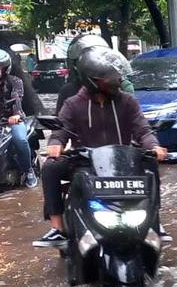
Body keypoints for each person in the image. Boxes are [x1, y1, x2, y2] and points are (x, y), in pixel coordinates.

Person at [36, 46, 168, 245]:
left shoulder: (128, 102)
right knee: (50, 167)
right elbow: (60, 130)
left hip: (124, 160)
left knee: (150, 165)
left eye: (116, 76)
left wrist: (154, 147)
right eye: (110, 77)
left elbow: (143, 130)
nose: (116, 80)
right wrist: (55, 144)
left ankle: (154, 221)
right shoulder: (73, 104)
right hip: (84, 162)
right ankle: (57, 227)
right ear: (93, 81)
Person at [0, 49, 37, 188]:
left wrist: (15, 115)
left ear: (5, 68)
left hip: (14, 121)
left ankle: (28, 171)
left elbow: (17, 98)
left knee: (20, 140)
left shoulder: (15, 81)